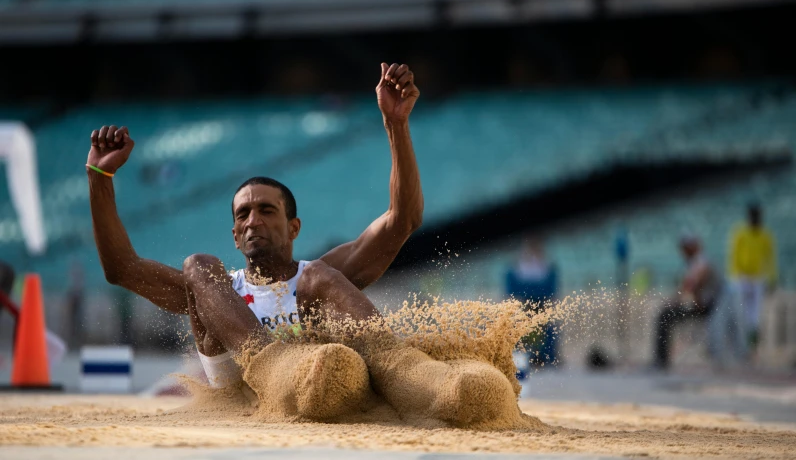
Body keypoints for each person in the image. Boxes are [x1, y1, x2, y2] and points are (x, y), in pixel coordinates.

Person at [86, 63, 517, 425]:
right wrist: (99, 179)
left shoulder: (318, 277)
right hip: (247, 393)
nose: (253, 220)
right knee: (197, 265)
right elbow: (120, 268)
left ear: (294, 227)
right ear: (235, 237)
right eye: (243, 215)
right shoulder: (217, 290)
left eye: (267, 211)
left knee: (319, 280)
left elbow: (403, 220)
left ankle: (412, 376)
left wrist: (396, 124)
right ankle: (273, 365)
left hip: (321, 383)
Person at [652, 235, 720, 370]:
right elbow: (687, 287)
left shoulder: (701, 261)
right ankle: (660, 360)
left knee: (665, 316)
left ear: (692, 247)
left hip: (708, 308)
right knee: (665, 314)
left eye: (685, 248)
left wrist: (679, 301)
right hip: (702, 305)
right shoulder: (694, 262)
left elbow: (692, 285)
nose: (683, 252)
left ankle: (661, 361)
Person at [727, 203, 777, 348]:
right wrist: (735, 276)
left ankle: (751, 341)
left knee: (754, 312)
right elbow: (734, 255)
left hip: (757, 277)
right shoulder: (740, 232)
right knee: (739, 310)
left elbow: (770, 258)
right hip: (742, 277)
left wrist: (772, 278)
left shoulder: (766, 235)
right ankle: (738, 340)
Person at [505, 237, 558, 368]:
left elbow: (552, 289)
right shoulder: (517, 266)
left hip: (541, 302)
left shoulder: (547, 266)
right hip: (523, 303)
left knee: (547, 324)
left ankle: (543, 356)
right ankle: (522, 355)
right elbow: (511, 289)